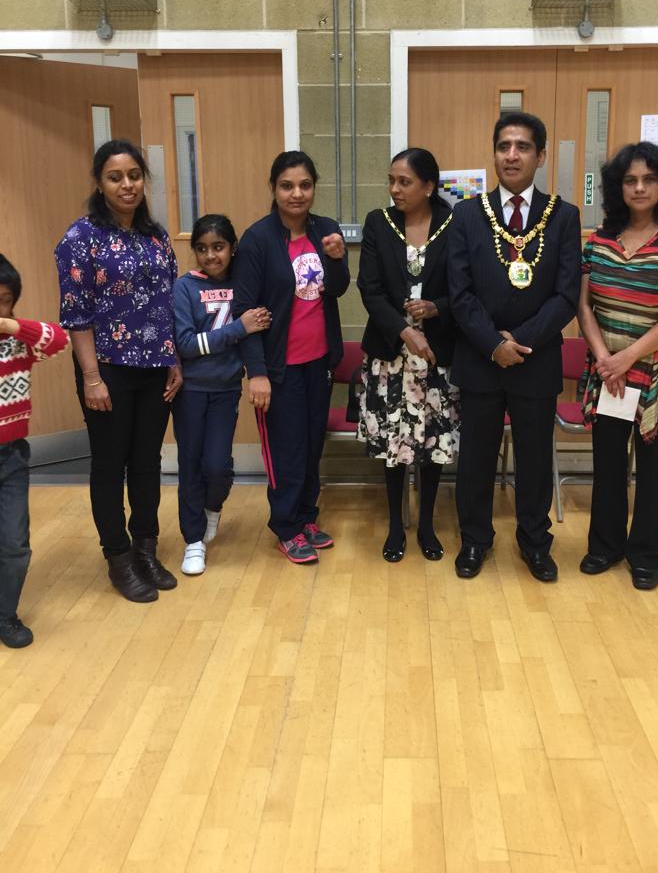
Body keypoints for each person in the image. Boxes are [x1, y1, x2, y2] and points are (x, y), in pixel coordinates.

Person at [447, 111, 581, 581]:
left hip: (535, 359)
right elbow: (459, 293)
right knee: (476, 458)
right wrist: (492, 344)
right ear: (494, 153)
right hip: (480, 358)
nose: (511, 155)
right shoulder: (467, 214)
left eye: (522, 147)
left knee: (535, 459)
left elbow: (566, 294)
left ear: (540, 156)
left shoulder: (563, 216)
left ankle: (535, 542)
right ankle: (474, 540)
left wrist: (519, 341)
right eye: (504, 146)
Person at [55, 139, 182, 603]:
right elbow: (76, 315)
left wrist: (173, 358)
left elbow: (167, 302)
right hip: (106, 370)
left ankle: (146, 548)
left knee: (147, 462)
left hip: (155, 367)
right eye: (115, 177)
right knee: (110, 465)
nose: (126, 185)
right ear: (99, 183)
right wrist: (91, 378)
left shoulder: (156, 236)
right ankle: (119, 556)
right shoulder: (80, 238)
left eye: (133, 175)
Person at [577, 142, 658, 590]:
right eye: (630, 180)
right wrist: (604, 358)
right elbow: (584, 306)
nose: (639, 187)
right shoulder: (598, 241)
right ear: (618, 187)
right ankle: (605, 546)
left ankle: (647, 555)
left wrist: (628, 357)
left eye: (649, 179)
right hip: (609, 373)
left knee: (655, 469)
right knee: (609, 464)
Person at [233, 150, 349, 564]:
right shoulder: (257, 239)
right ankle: (286, 526)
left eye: (304, 185)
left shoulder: (326, 230)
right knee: (287, 450)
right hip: (278, 368)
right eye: (287, 186)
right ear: (273, 188)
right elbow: (245, 311)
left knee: (311, 445)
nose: (296, 194)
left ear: (314, 187)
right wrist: (257, 372)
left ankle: (306, 518)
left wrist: (337, 259)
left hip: (319, 362)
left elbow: (338, 288)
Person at [357, 147, 459, 562]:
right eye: (391, 181)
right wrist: (403, 331)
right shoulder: (378, 223)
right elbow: (370, 289)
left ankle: (428, 525)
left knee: (432, 442)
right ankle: (396, 526)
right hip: (391, 356)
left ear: (429, 186)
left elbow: (466, 288)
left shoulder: (455, 224)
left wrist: (437, 308)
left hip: (436, 354)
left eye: (405, 182)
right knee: (393, 444)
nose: (395, 189)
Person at [172, 214, 271, 576]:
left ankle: (213, 507)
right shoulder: (184, 287)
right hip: (191, 391)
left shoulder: (243, 284)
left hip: (226, 390)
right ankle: (193, 540)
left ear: (232, 248)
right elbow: (185, 345)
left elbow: (256, 331)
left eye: (218, 247)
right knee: (190, 464)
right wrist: (238, 328)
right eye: (202, 248)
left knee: (217, 466)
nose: (211, 255)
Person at [0, 255, 69, 648]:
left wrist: (12, 326)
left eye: (4, 300)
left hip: (11, 458)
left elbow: (57, 340)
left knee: (15, 544)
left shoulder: (18, 342)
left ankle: (5, 615)